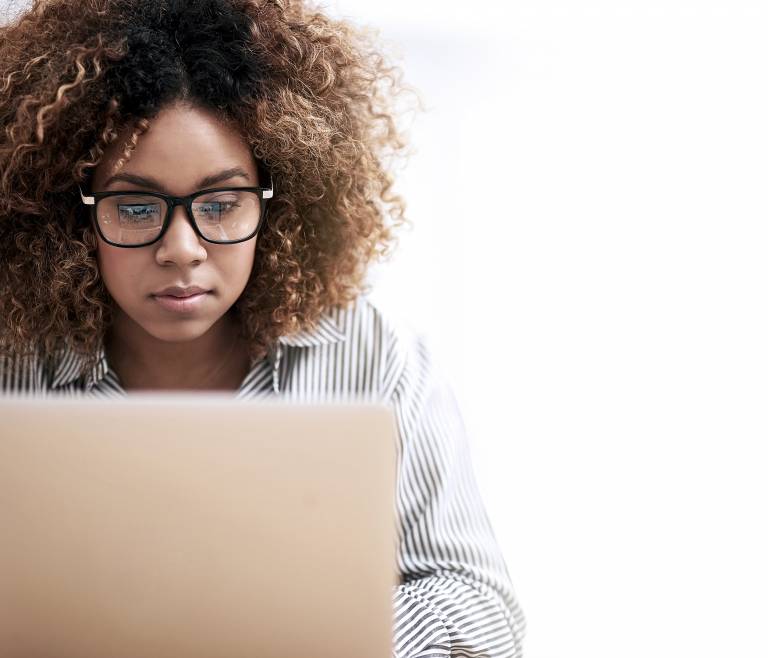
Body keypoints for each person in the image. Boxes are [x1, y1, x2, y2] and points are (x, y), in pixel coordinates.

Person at [0, 0, 527, 655]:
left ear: (278, 199)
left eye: (220, 204)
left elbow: (482, 611)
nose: (182, 249)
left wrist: (319, 632)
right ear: (70, 212)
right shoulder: (12, 366)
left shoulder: (375, 358)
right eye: (135, 206)